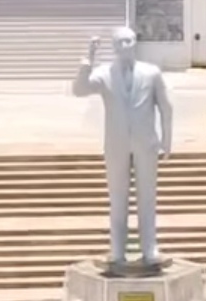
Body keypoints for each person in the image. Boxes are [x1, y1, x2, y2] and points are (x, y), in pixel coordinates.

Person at [72, 26, 173, 268]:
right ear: (114, 47)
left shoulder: (151, 72)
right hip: (116, 145)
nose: (125, 46)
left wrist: (166, 141)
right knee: (118, 198)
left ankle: (150, 248)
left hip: (146, 144)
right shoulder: (104, 73)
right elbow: (80, 90)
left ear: (135, 42)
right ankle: (117, 249)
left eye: (129, 41)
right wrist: (87, 61)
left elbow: (166, 108)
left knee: (147, 198)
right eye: (120, 42)